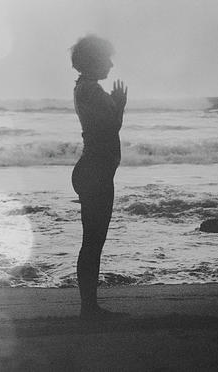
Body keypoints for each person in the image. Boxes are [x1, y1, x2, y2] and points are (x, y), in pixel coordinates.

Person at [70, 35, 127, 319]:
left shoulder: (86, 88)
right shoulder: (90, 90)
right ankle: (88, 307)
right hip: (95, 171)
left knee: (93, 241)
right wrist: (120, 106)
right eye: (106, 58)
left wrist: (116, 106)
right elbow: (109, 127)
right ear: (94, 60)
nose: (111, 63)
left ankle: (89, 306)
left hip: (95, 169)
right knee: (93, 242)